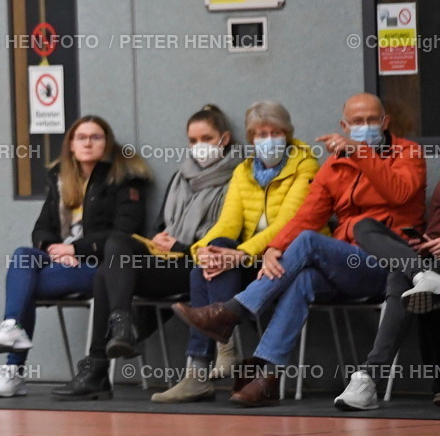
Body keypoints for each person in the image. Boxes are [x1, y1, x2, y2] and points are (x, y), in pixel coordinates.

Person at [173, 93, 426, 407]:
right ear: (344, 125)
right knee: (303, 277)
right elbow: (308, 215)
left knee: (307, 242)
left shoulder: (408, 153)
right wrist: (274, 248)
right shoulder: (335, 166)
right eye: (356, 122)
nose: (364, 127)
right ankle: (266, 377)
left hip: (388, 265)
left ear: (385, 122)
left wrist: (362, 154)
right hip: (347, 264)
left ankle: (232, 312)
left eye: (371, 120)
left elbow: (400, 192)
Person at [51, 104, 242, 401]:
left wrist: (178, 246)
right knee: (117, 247)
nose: (199, 147)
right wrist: (159, 239)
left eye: (206, 138)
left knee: (106, 271)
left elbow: (230, 235)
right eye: (192, 141)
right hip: (166, 259)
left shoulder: (238, 177)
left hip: (199, 265)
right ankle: (121, 324)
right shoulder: (182, 177)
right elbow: (160, 226)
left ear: (225, 138)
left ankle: (98, 367)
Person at [151, 102, 319, 403]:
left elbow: (288, 223)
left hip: (288, 255)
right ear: (251, 138)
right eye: (260, 133)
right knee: (210, 257)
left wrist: (240, 254)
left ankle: (216, 354)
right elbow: (228, 222)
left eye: (275, 132)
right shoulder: (244, 170)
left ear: (288, 133)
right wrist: (203, 249)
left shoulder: (306, 165)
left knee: (226, 255)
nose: (267, 139)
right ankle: (201, 369)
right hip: (251, 258)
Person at [0, 115, 152, 397]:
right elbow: (42, 227)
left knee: (25, 287)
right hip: (63, 263)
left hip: (101, 268)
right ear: (70, 145)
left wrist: (77, 249)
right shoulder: (61, 179)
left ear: (107, 144)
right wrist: (55, 250)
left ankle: (13, 371)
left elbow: (125, 232)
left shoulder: (125, 179)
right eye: (81, 137)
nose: (87, 142)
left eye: (95, 137)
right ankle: (12, 330)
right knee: (24, 255)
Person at [334, 177, 440, 410]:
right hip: (431, 259)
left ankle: (369, 377)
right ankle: (420, 274)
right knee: (364, 227)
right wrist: (424, 243)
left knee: (398, 275)